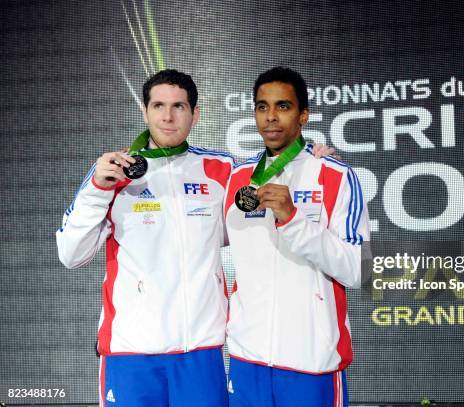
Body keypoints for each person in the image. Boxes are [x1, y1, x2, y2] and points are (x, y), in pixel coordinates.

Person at [56, 69, 232, 406]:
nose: (168, 116)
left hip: (200, 351)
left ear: (195, 114)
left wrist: (309, 161)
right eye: (158, 106)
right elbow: (71, 254)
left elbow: (262, 213)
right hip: (131, 350)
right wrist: (97, 191)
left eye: (179, 107)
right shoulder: (112, 171)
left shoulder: (222, 170)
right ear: (145, 111)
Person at [224, 67, 370, 407]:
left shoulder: (335, 175)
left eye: (283, 106)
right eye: (262, 107)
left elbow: (359, 269)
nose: (271, 117)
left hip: (311, 361)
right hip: (248, 359)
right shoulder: (236, 177)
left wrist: (293, 219)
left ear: (304, 114)